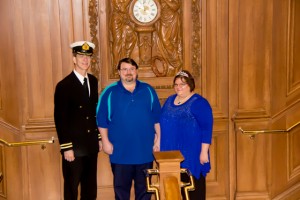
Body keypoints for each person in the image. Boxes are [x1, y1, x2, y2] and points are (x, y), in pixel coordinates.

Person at [96, 57, 161, 200]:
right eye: (124, 69)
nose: (128, 72)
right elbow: (101, 121)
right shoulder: (109, 92)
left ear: (136, 72)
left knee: (145, 192)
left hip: (145, 152)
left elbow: (157, 118)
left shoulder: (148, 90)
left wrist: (158, 140)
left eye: (131, 69)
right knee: (121, 193)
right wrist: (105, 141)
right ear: (119, 72)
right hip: (120, 153)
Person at [54, 41, 101, 200]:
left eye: (88, 56)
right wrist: (66, 147)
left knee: (90, 189)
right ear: (74, 59)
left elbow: (94, 112)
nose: (85, 60)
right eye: (81, 56)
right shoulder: (64, 85)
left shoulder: (93, 81)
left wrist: (99, 138)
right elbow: (60, 119)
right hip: (74, 148)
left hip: (91, 145)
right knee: (72, 189)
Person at [159, 70, 213, 200]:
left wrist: (204, 152)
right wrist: (157, 141)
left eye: (182, 84)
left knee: (193, 190)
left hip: (191, 154)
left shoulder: (199, 103)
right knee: (172, 191)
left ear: (190, 85)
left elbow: (207, 128)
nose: (179, 87)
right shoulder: (170, 100)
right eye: (176, 84)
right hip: (171, 153)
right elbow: (161, 122)